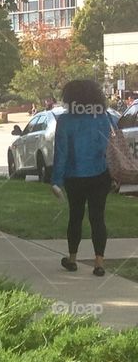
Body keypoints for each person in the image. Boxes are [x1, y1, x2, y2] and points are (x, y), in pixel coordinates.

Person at [51, 79, 113, 277]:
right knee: (98, 218)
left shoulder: (65, 121)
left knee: (75, 217)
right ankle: (99, 262)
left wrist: (56, 180)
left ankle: (72, 258)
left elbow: (61, 153)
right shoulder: (102, 117)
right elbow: (107, 147)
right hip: (100, 174)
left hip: (74, 176)